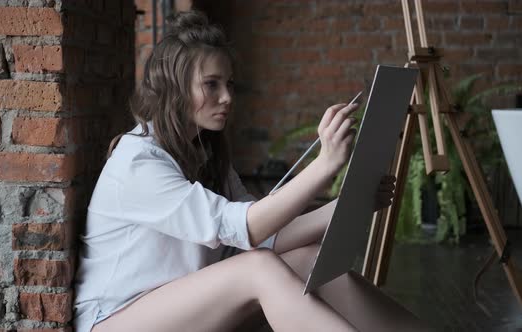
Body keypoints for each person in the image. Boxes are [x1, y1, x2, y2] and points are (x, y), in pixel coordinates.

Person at [74, 10, 428, 332]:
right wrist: (324, 165)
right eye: (211, 84)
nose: (226, 96)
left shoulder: (204, 153)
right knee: (258, 269)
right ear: (174, 88)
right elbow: (246, 228)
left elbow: (266, 234)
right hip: (115, 318)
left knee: (307, 259)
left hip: (180, 306)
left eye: (229, 84)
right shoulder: (138, 162)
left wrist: (350, 204)